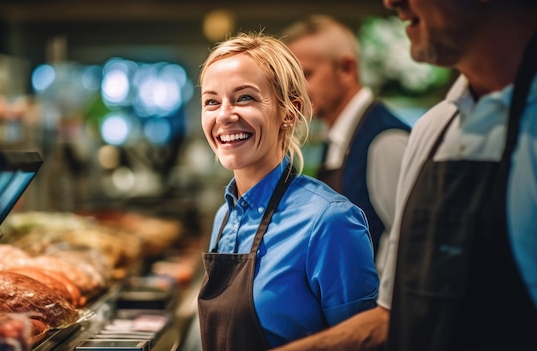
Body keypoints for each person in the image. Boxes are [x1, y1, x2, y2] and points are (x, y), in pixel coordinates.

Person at [271, 0, 537, 350]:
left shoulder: (386, 140)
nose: (390, 2)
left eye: (305, 74)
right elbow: (395, 311)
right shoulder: (434, 128)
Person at [197, 31, 379, 351]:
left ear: (289, 112)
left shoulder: (329, 220)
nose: (224, 115)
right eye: (212, 101)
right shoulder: (224, 216)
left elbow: (363, 341)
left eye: (245, 98)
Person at [280, 15, 411, 264]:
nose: (293, 92)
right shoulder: (337, 138)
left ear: (347, 69)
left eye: (306, 74)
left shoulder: (386, 140)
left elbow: (410, 248)